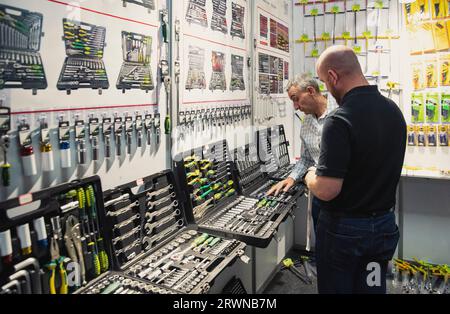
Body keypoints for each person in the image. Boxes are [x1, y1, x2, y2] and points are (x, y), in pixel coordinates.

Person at [302, 45, 407, 294]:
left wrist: (309, 177)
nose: (327, 89)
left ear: (334, 76)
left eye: (326, 82)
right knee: (371, 288)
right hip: (382, 227)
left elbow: (327, 190)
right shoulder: (394, 112)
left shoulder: (339, 120)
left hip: (344, 233)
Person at [266, 73, 335, 233]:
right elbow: (306, 159)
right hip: (319, 193)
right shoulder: (306, 124)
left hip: (343, 197)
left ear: (310, 91)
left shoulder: (341, 112)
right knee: (323, 240)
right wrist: (292, 177)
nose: (295, 106)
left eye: (296, 99)